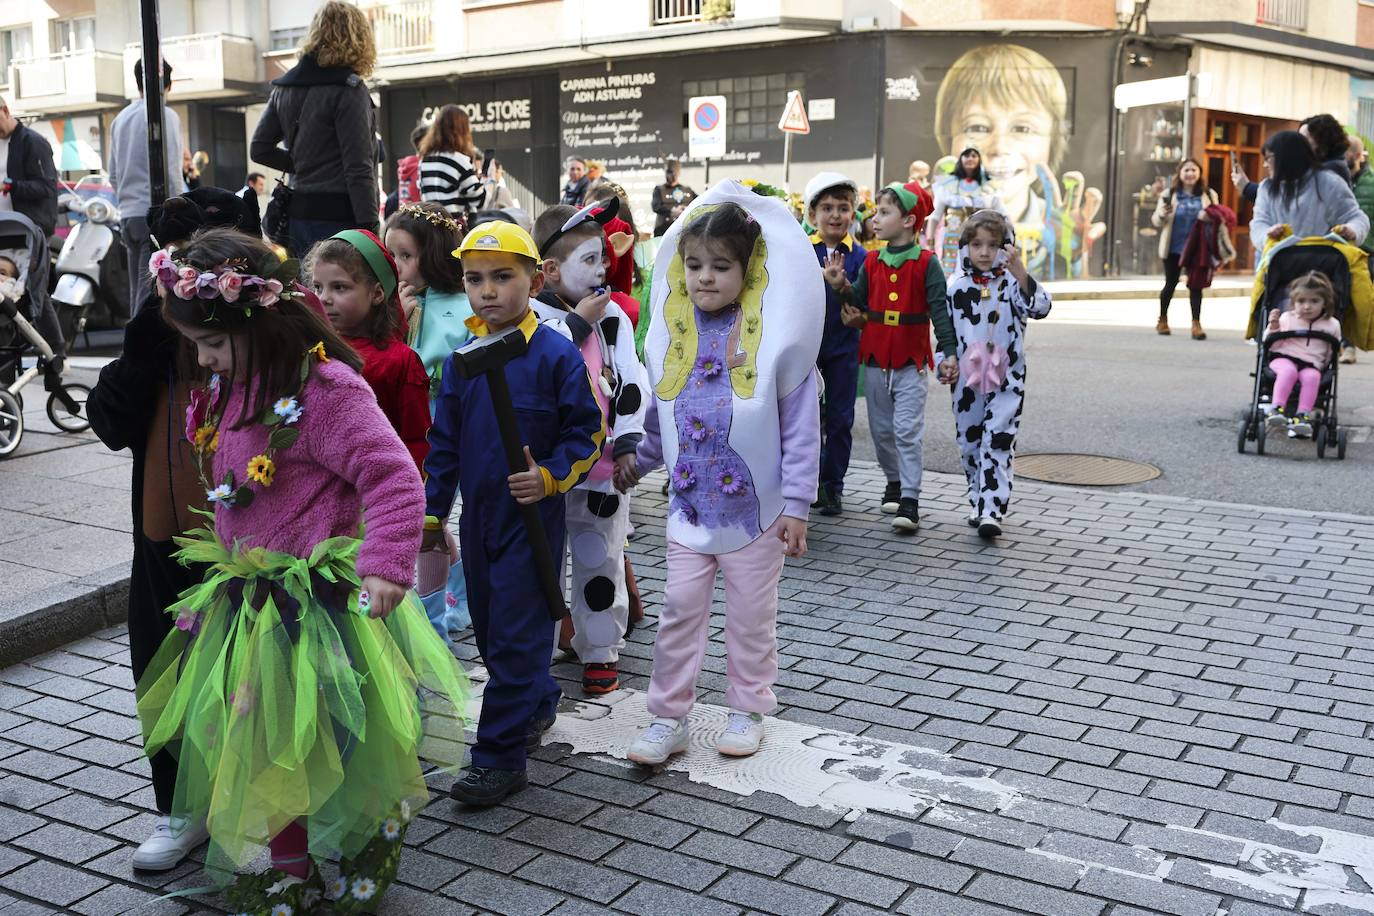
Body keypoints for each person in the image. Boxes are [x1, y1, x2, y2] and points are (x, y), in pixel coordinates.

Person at [136, 229, 468, 914]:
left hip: (322, 604)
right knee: (265, 745)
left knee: (340, 742)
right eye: (196, 345)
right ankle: (291, 868)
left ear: (262, 321)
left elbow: (395, 478)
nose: (204, 359)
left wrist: (385, 566)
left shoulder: (327, 390)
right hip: (250, 603)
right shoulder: (234, 384)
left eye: (214, 344)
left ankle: (362, 843)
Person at [617, 186, 821, 764]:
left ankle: (746, 709)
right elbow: (666, 416)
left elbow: (802, 428)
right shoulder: (672, 336)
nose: (705, 277)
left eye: (721, 265)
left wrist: (799, 505)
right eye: (694, 264)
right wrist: (637, 460)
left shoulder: (773, 339)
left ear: (749, 269)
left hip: (757, 514)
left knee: (752, 619)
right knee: (679, 611)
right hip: (689, 510)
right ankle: (667, 718)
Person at [85, 189, 251, 874]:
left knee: (257, 678)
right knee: (166, 667)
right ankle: (181, 807)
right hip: (167, 537)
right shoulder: (155, 335)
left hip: (256, 544)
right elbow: (109, 421)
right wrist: (143, 353)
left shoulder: (265, 334)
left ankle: (265, 812)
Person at [424, 221, 604, 806]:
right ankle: (537, 701)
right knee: (492, 623)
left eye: (503, 276)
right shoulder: (462, 359)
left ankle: (498, 757)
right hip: (478, 522)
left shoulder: (556, 351)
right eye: (475, 279)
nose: (489, 291)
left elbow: (587, 433)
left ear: (535, 278)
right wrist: (432, 514)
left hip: (532, 519)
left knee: (516, 637)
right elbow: (443, 444)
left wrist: (549, 475)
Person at [532, 201, 648, 696]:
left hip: (601, 469)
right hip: (545, 469)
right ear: (551, 271)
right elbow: (534, 365)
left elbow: (631, 376)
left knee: (599, 555)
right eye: (589, 260)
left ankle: (600, 648)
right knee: (543, 559)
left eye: (603, 258)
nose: (602, 269)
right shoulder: (531, 313)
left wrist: (627, 444)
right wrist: (579, 322)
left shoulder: (614, 312)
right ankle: (548, 637)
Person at [827, 181, 957, 533]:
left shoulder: (927, 264)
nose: (875, 218)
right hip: (873, 360)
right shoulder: (871, 262)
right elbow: (858, 302)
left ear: (909, 221)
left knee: (906, 431)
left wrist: (948, 353)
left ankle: (911, 499)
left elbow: (940, 315)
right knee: (883, 432)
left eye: (884, 212)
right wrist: (840, 286)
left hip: (910, 361)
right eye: (877, 212)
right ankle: (894, 482)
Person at [934, 43, 1104, 279]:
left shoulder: (1056, 226)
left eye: (1023, 128)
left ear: (1052, 143)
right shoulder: (940, 215)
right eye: (978, 127)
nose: (1000, 147)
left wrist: (1073, 256)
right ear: (948, 136)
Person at [383, 202, 472, 638]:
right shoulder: (395, 303)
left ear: (432, 255)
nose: (397, 266)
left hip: (450, 430)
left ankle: (436, 620)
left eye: (406, 256)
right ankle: (455, 599)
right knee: (427, 521)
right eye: (391, 256)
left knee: (430, 522)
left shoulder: (462, 304)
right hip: (409, 429)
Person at [943, 209, 1051, 539]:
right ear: (965, 247)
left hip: (1008, 380)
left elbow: (1042, 306)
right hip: (966, 383)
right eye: (977, 244)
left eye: (993, 245)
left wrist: (1020, 272)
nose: (985, 252)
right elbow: (946, 330)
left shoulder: (1012, 285)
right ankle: (977, 501)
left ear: (1007, 247)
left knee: (999, 439)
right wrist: (944, 360)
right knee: (970, 442)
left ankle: (993, 508)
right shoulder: (956, 287)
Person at [251, 0, 381, 255]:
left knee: (304, 292)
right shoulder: (348, 90)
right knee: (342, 291)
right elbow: (358, 167)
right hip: (342, 217)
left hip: (298, 218)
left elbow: (259, 148)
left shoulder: (284, 88)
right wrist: (370, 226)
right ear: (358, 39)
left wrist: (300, 164)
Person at [307, 229, 431, 471]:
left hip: (378, 484)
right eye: (318, 287)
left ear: (376, 293)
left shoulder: (400, 360)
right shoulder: (312, 350)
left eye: (339, 287)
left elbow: (416, 439)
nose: (324, 298)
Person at [805, 171, 863, 517]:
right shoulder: (802, 250)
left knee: (840, 419)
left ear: (853, 213)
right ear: (812, 214)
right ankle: (806, 482)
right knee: (806, 418)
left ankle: (832, 486)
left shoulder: (862, 257)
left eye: (843, 207)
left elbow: (868, 303)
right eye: (827, 207)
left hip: (844, 348)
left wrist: (861, 316)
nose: (835, 215)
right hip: (809, 348)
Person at [108, 58, 184, 314]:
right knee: (149, 293)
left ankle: (132, 346)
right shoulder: (166, 116)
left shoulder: (120, 119)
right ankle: (137, 351)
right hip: (154, 213)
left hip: (128, 214)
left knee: (136, 291)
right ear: (168, 84)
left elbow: (113, 174)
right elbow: (172, 171)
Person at [1250, 131, 1369, 253]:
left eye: (1268, 158)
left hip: (1322, 267)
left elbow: (1357, 218)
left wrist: (1351, 230)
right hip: (1279, 265)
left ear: (1286, 157)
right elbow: (1259, 224)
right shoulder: (1266, 188)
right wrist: (1267, 235)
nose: (1265, 165)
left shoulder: (1329, 183)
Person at [1264, 271, 1342, 439]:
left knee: (1313, 377)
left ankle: (1302, 416)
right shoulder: (1287, 318)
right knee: (1288, 372)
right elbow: (1271, 344)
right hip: (1283, 358)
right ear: (1293, 302)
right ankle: (1277, 408)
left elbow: (1331, 351)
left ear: (1325, 302)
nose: (1307, 306)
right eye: (1301, 301)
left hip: (1311, 363)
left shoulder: (1332, 325)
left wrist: (1323, 365)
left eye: (1314, 301)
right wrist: (1274, 327)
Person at [1150, 158, 1218, 340]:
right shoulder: (1169, 194)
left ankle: (1196, 325)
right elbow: (1156, 221)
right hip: (1173, 247)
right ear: (1180, 173)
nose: (1190, 174)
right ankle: (1162, 319)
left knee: (1196, 287)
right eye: (1186, 170)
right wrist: (1163, 213)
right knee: (1170, 284)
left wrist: (1209, 217)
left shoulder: (1209, 195)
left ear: (1199, 173)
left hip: (1197, 249)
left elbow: (1218, 218)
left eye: (1194, 170)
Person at [927, 147, 1006, 275]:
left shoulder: (990, 186)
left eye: (974, 155)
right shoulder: (948, 185)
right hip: (954, 243)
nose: (970, 158)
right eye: (966, 155)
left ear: (979, 159)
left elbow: (1004, 215)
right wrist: (930, 243)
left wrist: (1008, 240)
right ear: (961, 158)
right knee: (954, 276)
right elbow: (934, 216)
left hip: (981, 242)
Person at [419, 105, 487, 221]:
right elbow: (478, 200)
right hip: (452, 227)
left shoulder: (424, 160)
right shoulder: (459, 160)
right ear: (461, 130)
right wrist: (485, 181)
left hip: (430, 226)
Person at [652, 160, 696, 237]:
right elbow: (656, 206)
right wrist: (671, 211)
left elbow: (699, 202)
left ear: (678, 172)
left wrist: (685, 210)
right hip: (663, 230)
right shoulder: (659, 189)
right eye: (667, 172)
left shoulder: (687, 190)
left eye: (672, 172)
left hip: (684, 231)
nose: (669, 176)